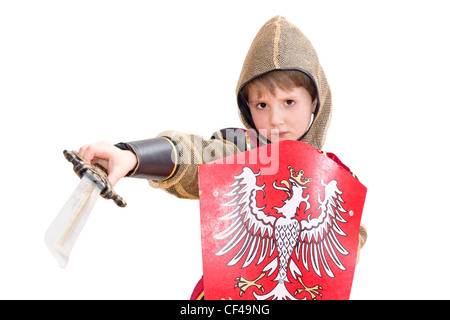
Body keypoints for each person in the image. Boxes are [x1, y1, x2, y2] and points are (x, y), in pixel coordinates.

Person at [78, 16, 367, 299]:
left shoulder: (335, 175)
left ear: (315, 101)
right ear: (247, 106)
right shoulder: (241, 153)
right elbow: (199, 157)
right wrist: (134, 156)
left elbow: (349, 243)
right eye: (262, 104)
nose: (275, 119)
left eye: (289, 102)